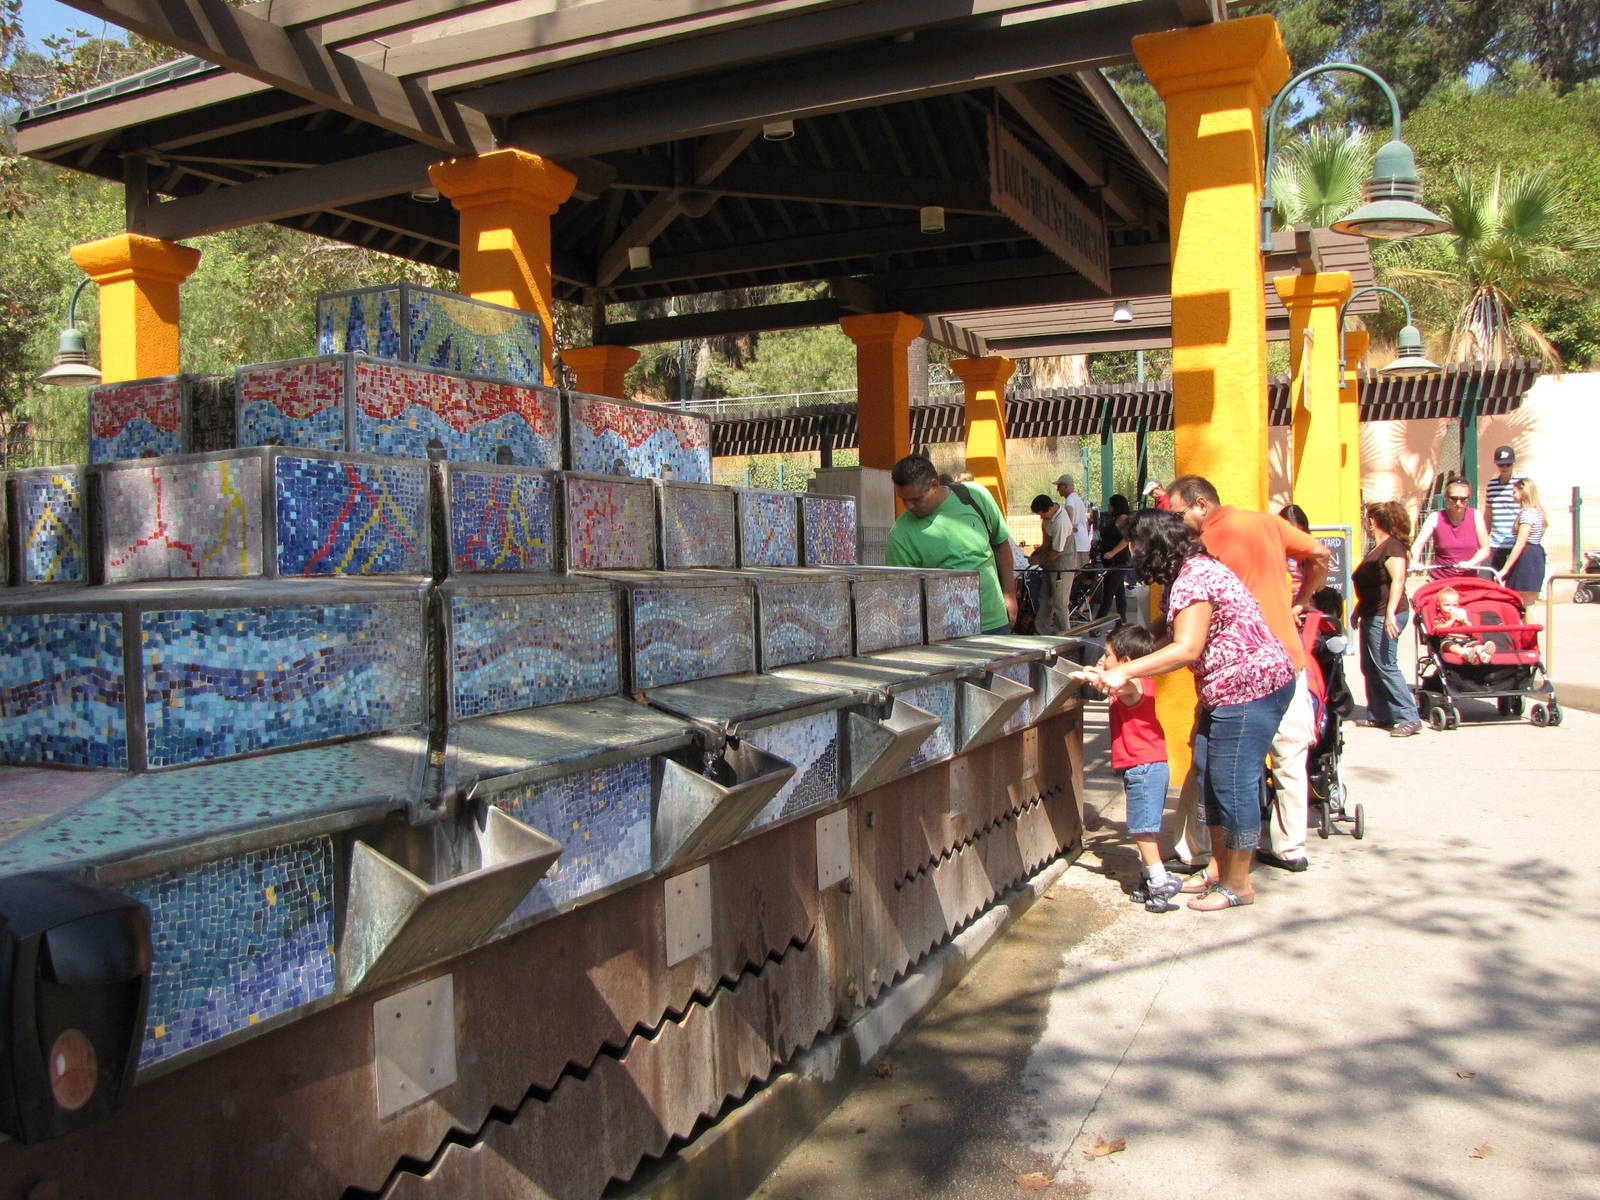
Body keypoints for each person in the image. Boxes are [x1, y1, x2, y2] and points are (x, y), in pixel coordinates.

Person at [1080, 510, 1295, 911]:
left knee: (1233, 784)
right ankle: (1218, 867)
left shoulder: (1195, 576)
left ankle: (1238, 883)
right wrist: (1120, 657)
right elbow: (1166, 628)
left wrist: (1124, 669)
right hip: (1223, 692)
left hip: (1250, 688)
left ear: (1153, 546)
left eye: (1136, 545)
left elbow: (1187, 648)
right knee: (1210, 778)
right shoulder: (1192, 573)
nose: (1133, 553)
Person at [1164, 476, 1330, 875]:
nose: (1175, 522)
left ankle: (1196, 850)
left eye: (1178, 513)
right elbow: (1321, 553)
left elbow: (1192, 622)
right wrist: (1302, 600)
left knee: (1212, 762)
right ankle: (1291, 847)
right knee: (1289, 758)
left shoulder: (1205, 548)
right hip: (1287, 660)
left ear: (1201, 505)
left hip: (1241, 671)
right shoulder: (1269, 523)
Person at [1072, 625, 1178, 911]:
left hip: (1144, 767)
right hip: (1145, 766)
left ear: (1127, 663)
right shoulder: (1144, 680)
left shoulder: (1133, 685)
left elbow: (1120, 685)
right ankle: (1149, 878)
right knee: (1143, 828)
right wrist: (1097, 673)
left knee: (1142, 829)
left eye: (1107, 655)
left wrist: (1090, 676)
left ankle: (1159, 880)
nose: (1103, 659)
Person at [887, 455, 1017, 635]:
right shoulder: (900, 534)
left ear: (934, 485)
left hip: (994, 621)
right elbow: (904, 595)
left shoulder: (975, 496)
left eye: (916, 499)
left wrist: (1010, 595)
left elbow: (1001, 544)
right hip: (945, 632)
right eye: (903, 499)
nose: (908, 506)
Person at [1353, 501, 1422, 737]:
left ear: (1372, 521)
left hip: (1385, 615)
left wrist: (1391, 612)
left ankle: (1409, 716)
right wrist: (1358, 609)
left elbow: (1398, 580)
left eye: (1366, 519)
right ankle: (1380, 713)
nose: (1365, 524)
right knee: (1370, 666)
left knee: (1385, 664)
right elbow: (1374, 584)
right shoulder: (1377, 548)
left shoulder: (1393, 548)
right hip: (1372, 613)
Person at [1411, 478, 1490, 580]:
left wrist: (1471, 563)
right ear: (1446, 497)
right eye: (1454, 498)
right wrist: (1415, 563)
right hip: (1441, 579)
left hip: (1468, 579)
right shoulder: (1435, 517)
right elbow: (1417, 546)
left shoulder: (1476, 516)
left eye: (1463, 499)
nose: (1458, 503)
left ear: (1469, 498)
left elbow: (1485, 549)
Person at [1498, 476, 1547, 607]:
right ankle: (1524, 627)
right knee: (1522, 602)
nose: (1512, 495)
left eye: (1514, 492)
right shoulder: (1533, 512)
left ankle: (1530, 627)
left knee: (1526, 603)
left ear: (1523, 492)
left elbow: (1520, 543)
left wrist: (1505, 569)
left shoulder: (1528, 514)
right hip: (1532, 554)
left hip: (1528, 557)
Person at [1028, 493, 1073, 634]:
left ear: (1049, 509)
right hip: (1050, 562)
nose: (1041, 518)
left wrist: (1039, 560)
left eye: (1042, 514)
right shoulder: (1048, 518)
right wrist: (1038, 552)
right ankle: (1042, 631)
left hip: (1062, 564)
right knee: (1045, 599)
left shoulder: (1061, 523)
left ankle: (1064, 634)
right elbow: (1047, 542)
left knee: (1059, 602)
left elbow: (1057, 551)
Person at [1094, 493, 1133, 624]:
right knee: (1119, 591)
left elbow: (1127, 538)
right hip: (1110, 561)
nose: (1109, 508)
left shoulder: (1124, 519)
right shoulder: (1115, 519)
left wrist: (1112, 552)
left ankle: (1098, 623)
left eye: (1110, 505)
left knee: (1108, 592)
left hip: (1117, 561)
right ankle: (1121, 620)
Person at [1433, 586, 1494, 664]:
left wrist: (1464, 621)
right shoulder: (1439, 618)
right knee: (1448, 645)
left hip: (1466, 639)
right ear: (1438, 606)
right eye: (1447, 605)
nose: (1451, 608)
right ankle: (1464, 652)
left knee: (1475, 643)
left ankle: (1482, 652)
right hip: (1450, 639)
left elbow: (1470, 629)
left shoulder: (1461, 614)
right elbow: (1440, 630)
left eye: (1454, 605)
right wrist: (1452, 620)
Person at [1485, 445, 1520, 570]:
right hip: (1495, 544)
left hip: (1515, 544)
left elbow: (1531, 508)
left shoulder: (1522, 483)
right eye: (1501, 465)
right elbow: (1488, 514)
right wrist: (1484, 540)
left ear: (1513, 463)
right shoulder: (1492, 485)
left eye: (1508, 464)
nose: (1504, 468)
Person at [1053, 474, 1091, 570]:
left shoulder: (1070, 498)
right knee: (1083, 574)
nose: (1058, 490)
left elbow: (1069, 510)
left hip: (1076, 543)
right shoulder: (1079, 499)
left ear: (1065, 486)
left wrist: (1068, 528)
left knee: (1074, 573)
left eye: (1059, 486)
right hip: (1083, 542)